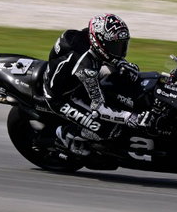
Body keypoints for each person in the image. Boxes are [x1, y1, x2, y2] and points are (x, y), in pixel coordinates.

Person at [41, 13, 150, 156]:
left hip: (73, 78)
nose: (120, 50)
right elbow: (99, 108)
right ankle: (65, 134)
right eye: (115, 46)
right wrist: (129, 117)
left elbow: (103, 55)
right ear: (100, 42)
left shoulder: (89, 36)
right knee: (107, 130)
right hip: (61, 97)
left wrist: (120, 63)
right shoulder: (85, 66)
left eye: (122, 45)